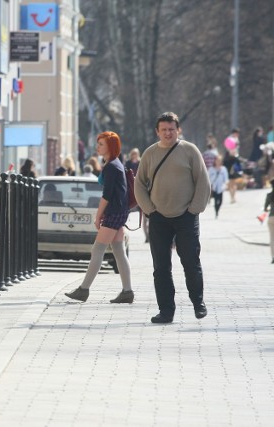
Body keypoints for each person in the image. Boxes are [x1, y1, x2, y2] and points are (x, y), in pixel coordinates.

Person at [134, 112, 211, 324]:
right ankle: (166, 311)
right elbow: (139, 184)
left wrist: (194, 209)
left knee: (190, 262)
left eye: (172, 129)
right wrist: (149, 209)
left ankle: (198, 302)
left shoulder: (189, 151)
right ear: (157, 131)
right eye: (164, 130)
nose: (168, 133)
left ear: (178, 130)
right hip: (158, 217)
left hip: (186, 216)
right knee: (161, 267)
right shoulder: (150, 154)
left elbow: (203, 181)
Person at [65, 131, 134, 304]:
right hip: (120, 211)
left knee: (98, 249)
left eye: (101, 144)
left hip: (114, 212)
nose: (98, 147)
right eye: (98, 143)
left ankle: (84, 290)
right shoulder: (114, 163)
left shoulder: (112, 166)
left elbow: (107, 195)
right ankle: (127, 292)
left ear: (111, 146)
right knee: (118, 250)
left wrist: (98, 216)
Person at [264, 180, 274, 264]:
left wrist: (269, 209)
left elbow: (265, 209)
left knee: (272, 238)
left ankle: (273, 256)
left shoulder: (269, 195)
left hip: (271, 217)